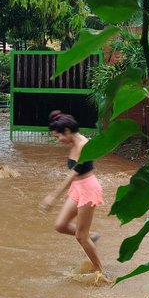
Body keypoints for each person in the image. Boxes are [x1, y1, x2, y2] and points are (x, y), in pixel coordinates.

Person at [40, 111, 107, 279]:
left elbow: (72, 175)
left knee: (80, 236)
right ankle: (92, 237)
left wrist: (53, 197)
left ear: (67, 130)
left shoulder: (83, 145)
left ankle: (100, 272)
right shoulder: (74, 142)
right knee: (61, 225)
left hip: (88, 189)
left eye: (57, 137)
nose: (58, 141)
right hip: (78, 188)